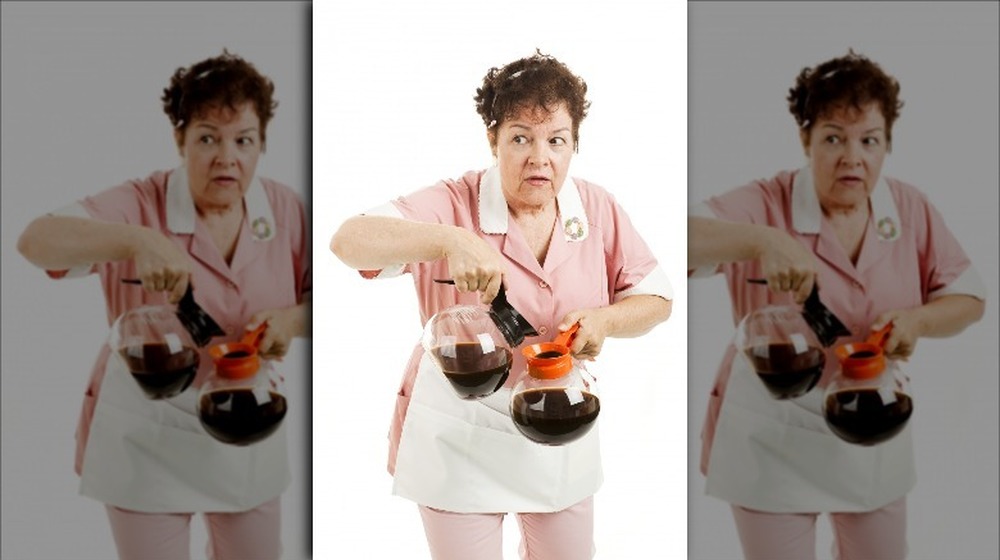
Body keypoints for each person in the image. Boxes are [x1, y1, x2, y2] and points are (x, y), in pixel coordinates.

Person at [330, 51, 673, 560]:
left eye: (556, 140)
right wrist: (448, 239)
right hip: (459, 428)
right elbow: (348, 241)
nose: (540, 158)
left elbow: (657, 298)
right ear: (493, 140)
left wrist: (608, 319)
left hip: (559, 417)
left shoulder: (596, 208)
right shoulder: (452, 201)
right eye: (520, 138)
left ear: (575, 143)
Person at [688, 50, 986, 560]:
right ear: (806, 140)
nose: (852, 156)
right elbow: (670, 239)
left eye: (869, 140)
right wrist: (762, 240)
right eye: (833, 138)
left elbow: (969, 297)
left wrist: (921, 319)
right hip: (771, 435)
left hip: (873, 421)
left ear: (887, 145)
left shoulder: (909, 209)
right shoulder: (766, 201)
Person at [17, 51, 310, 560]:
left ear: (262, 143)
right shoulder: (140, 202)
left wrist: (293, 319)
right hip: (146, 437)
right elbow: (35, 241)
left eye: (243, 140)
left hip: (247, 421)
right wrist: (134, 241)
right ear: (180, 140)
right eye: (207, 138)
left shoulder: (285, 209)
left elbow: (325, 296)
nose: (226, 157)